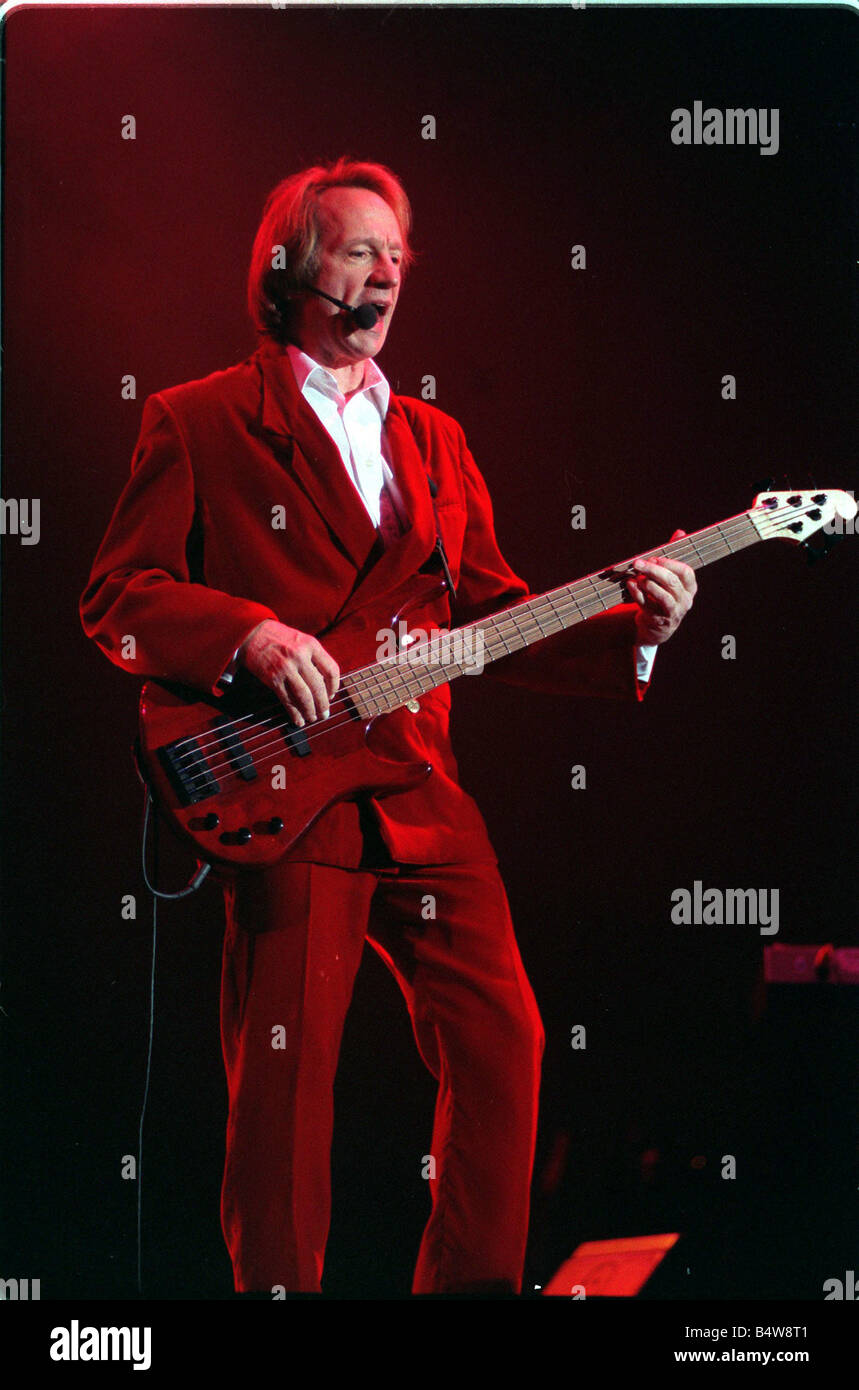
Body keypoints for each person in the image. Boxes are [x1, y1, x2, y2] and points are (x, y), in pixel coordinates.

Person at [80, 158, 696, 1296]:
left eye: (396, 256)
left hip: (418, 783)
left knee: (502, 1039)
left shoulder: (436, 439)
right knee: (286, 1085)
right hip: (284, 783)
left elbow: (497, 615)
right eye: (358, 249)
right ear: (290, 267)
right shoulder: (203, 419)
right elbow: (118, 597)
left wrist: (632, 626)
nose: (385, 272)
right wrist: (251, 635)